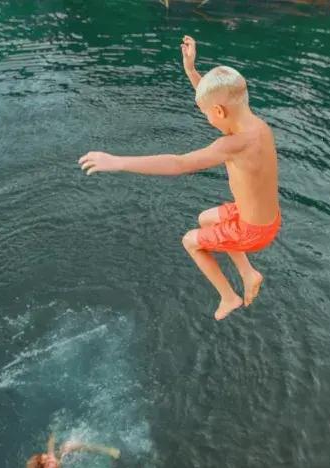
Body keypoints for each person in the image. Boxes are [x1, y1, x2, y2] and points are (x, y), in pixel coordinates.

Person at [78, 35, 281, 321]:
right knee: (206, 218)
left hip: (252, 232)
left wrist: (119, 161)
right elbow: (217, 98)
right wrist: (191, 71)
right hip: (264, 219)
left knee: (191, 241)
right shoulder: (257, 126)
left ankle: (228, 297)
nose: (208, 119)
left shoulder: (231, 145)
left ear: (219, 112)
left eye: (207, 115)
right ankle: (248, 274)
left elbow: (179, 163)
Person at [26, 433, 120, 468]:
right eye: (47, 463)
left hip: (63, 457)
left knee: (68, 446)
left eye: (47, 457)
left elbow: (50, 447)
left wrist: (53, 432)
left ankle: (107, 450)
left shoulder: (52, 459)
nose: (51, 459)